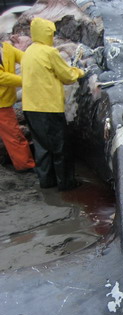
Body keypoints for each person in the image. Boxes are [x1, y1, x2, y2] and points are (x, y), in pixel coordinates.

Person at [21, 17, 85, 190]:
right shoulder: (50, 52)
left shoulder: (29, 51)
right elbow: (67, 76)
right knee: (60, 147)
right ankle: (66, 183)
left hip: (30, 107)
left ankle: (46, 182)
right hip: (47, 107)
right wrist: (79, 71)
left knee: (42, 147)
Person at [0, 40, 35, 172]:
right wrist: (28, 81)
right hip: (2, 104)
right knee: (14, 136)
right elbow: (1, 77)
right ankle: (25, 165)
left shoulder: (6, 48)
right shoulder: (6, 48)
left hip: (4, 102)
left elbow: (25, 58)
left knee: (13, 135)